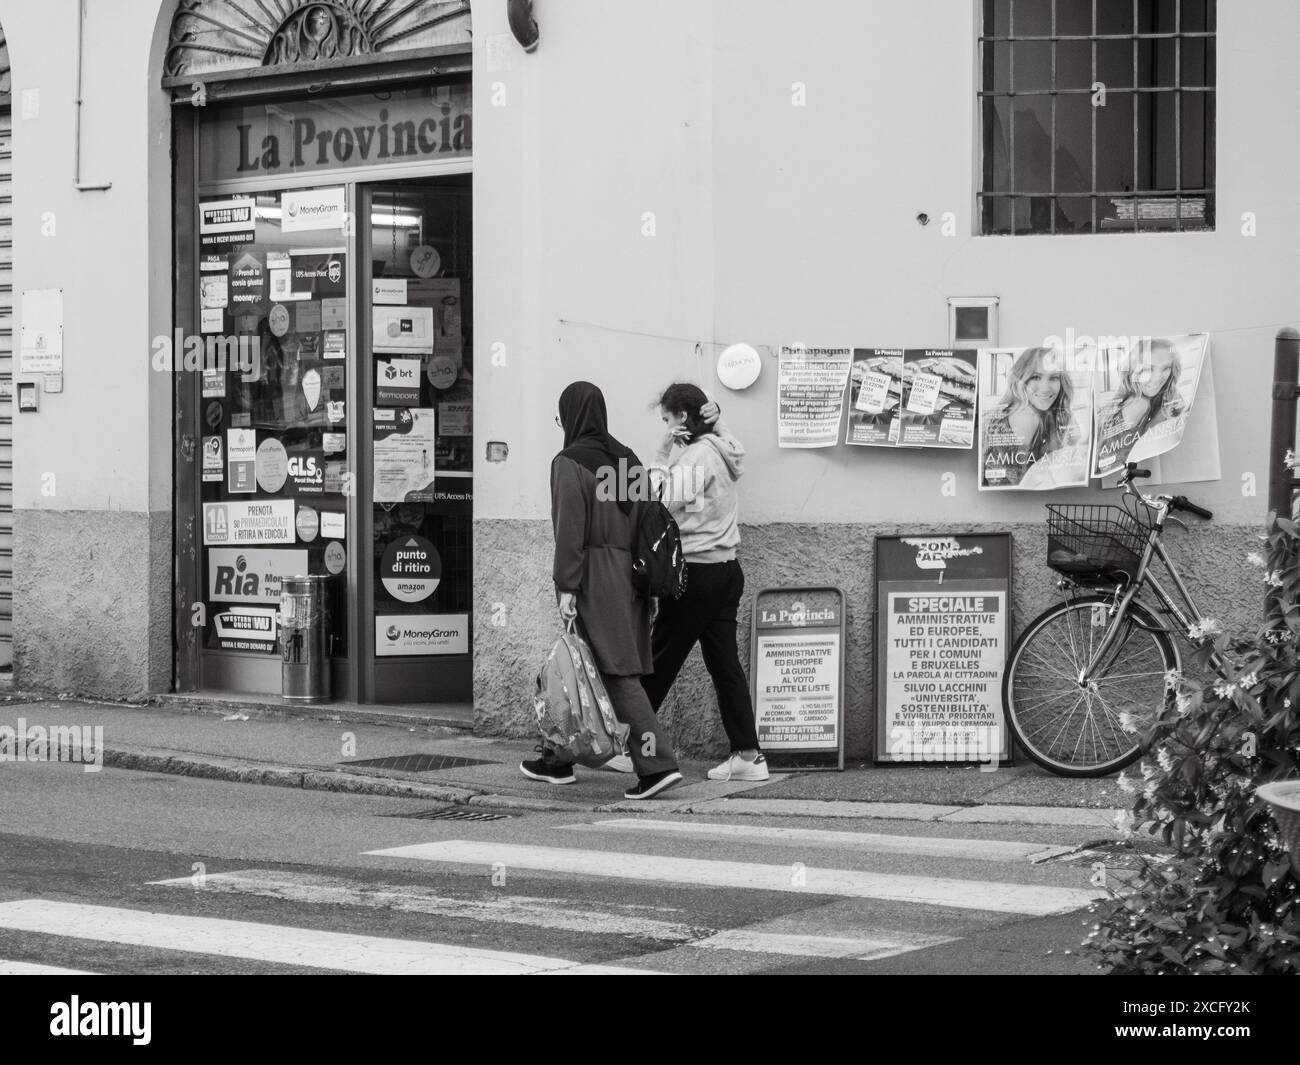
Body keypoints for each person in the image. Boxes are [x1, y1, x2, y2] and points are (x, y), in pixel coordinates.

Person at [519, 381, 684, 800]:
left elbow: (569, 531)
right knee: (579, 666)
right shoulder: (626, 460)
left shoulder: (569, 462)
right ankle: (556, 759)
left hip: (596, 577)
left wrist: (567, 586)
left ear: (571, 417)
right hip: (631, 579)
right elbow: (646, 521)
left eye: (561, 417)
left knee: (613, 673)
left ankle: (655, 764)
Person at [641, 383, 767, 782]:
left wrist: (662, 452)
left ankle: (630, 744)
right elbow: (732, 444)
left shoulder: (696, 458)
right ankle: (748, 755)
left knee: (658, 659)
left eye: (666, 418)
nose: (664, 425)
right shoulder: (723, 446)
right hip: (727, 570)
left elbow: (657, 500)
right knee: (724, 665)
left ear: (681, 418)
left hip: (697, 573)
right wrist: (717, 419)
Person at [981, 346, 1078, 489]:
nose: (1045, 388)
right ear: (1021, 379)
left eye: (1054, 377)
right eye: (1035, 377)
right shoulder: (991, 424)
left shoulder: (1064, 419)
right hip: (1003, 505)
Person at [1099, 338, 1183, 439]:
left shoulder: (1169, 399)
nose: (1156, 378)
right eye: (1147, 368)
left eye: (1166, 368)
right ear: (1133, 368)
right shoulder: (1140, 404)